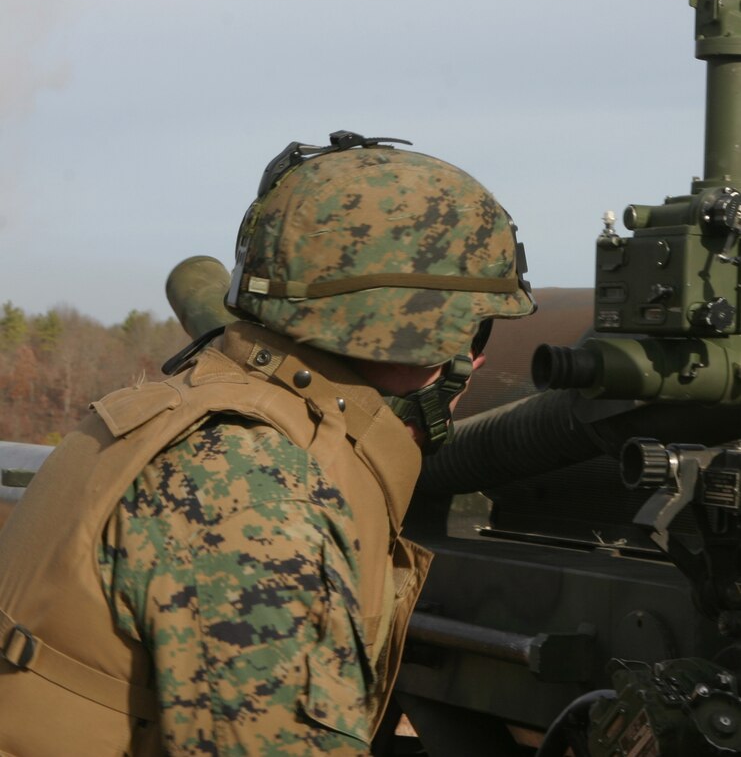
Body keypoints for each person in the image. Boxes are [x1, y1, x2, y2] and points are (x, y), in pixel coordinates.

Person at [0, 130, 535, 756]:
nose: (476, 358)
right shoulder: (259, 505)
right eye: (477, 328)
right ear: (421, 335)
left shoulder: (191, 410)